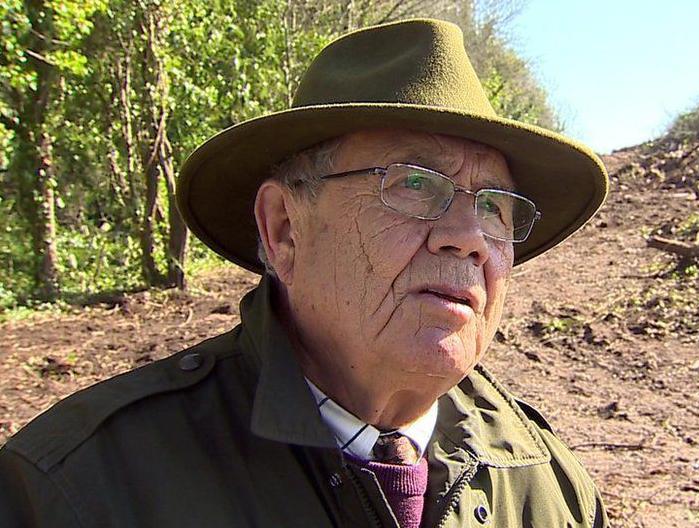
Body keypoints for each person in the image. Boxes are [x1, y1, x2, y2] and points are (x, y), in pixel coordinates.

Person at [0, 18, 609, 528]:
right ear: (284, 229)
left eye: (495, 208)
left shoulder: (545, 484)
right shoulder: (82, 488)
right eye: (415, 184)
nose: (470, 238)